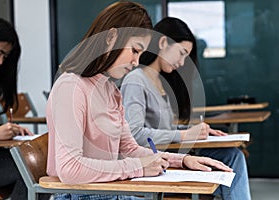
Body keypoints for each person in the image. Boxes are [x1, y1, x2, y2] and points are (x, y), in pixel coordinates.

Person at [46, 2, 233, 200]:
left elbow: (129, 149)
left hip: (107, 191)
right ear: (111, 38)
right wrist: (138, 167)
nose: (136, 62)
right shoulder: (71, 87)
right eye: (135, 51)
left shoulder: (110, 90)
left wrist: (182, 160)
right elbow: (70, 169)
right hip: (80, 195)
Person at [121, 17, 251, 200]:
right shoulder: (136, 81)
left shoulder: (160, 81)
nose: (182, 63)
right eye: (181, 53)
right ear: (163, 42)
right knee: (231, 158)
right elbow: (133, 134)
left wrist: (193, 131)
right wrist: (183, 136)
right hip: (155, 158)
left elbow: (163, 129)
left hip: (172, 152)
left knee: (232, 155)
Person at [0, 17, 36, 199]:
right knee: (32, 170)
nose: (1, 61)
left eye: (5, 57)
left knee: (40, 166)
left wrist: (11, 130)